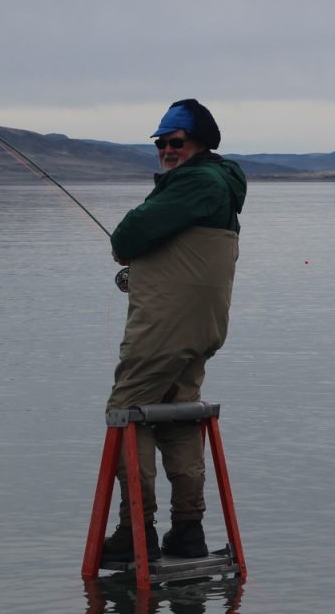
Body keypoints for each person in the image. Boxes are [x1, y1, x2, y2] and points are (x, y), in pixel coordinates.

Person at [100, 98, 247, 563]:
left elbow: (127, 236)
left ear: (200, 142)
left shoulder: (195, 182)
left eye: (176, 142)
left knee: (127, 411)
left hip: (163, 329)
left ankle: (134, 531)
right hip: (202, 328)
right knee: (180, 415)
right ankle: (188, 533)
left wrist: (130, 255)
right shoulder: (218, 184)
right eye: (161, 143)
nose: (167, 149)